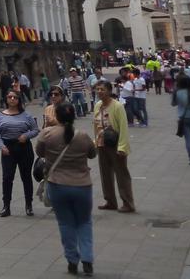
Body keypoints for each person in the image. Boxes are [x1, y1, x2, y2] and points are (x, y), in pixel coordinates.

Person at [37, 103, 96, 276]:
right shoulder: (83, 136)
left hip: (58, 185)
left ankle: (72, 260)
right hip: (82, 185)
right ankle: (87, 259)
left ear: (57, 116)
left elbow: (40, 152)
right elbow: (92, 154)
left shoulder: (47, 134)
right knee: (84, 222)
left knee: (66, 223)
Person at [0, 90, 39, 217]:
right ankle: (6, 206)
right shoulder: (0, 115)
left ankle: (29, 205)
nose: (12, 99)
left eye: (15, 97)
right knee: (7, 178)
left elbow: (35, 130)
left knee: (26, 177)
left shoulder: (26, 115)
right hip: (8, 149)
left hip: (24, 147)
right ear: (6, 99)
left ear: (19, 100)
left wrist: (26, 135)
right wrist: (2, 147)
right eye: (9, 97)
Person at [92, 79, 134, 213]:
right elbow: (96, 125)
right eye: (97, 89)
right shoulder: (97, 105)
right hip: (102, 144)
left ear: (109, 91)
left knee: (121, 175)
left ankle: (128, 203)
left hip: (116, 144)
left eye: (102, 89)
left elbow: (123, 127)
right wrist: (95, 141)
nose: (99, 92)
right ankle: (110, 201)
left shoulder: (117, 106)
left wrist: (122, 147)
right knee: (105, 174)